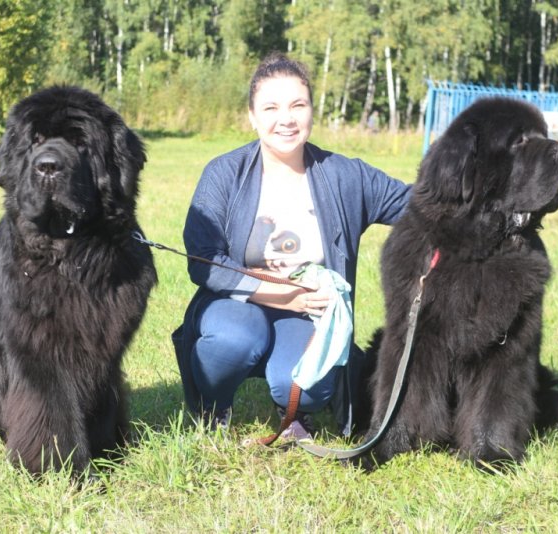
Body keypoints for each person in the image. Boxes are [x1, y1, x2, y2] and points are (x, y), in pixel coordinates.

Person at [171, 53, 411, 439]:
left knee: (304, 386)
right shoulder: (223, 173)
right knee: (233, 340)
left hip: (308, 314)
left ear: (312, 111)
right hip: (237, 304)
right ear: (252, 116)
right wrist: (284, 295)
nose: (286, 118)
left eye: (298, 105)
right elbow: (203, 262)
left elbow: (422, 204)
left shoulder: (346, 175)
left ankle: (294, 411)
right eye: (271, 107)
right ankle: (213, 406)